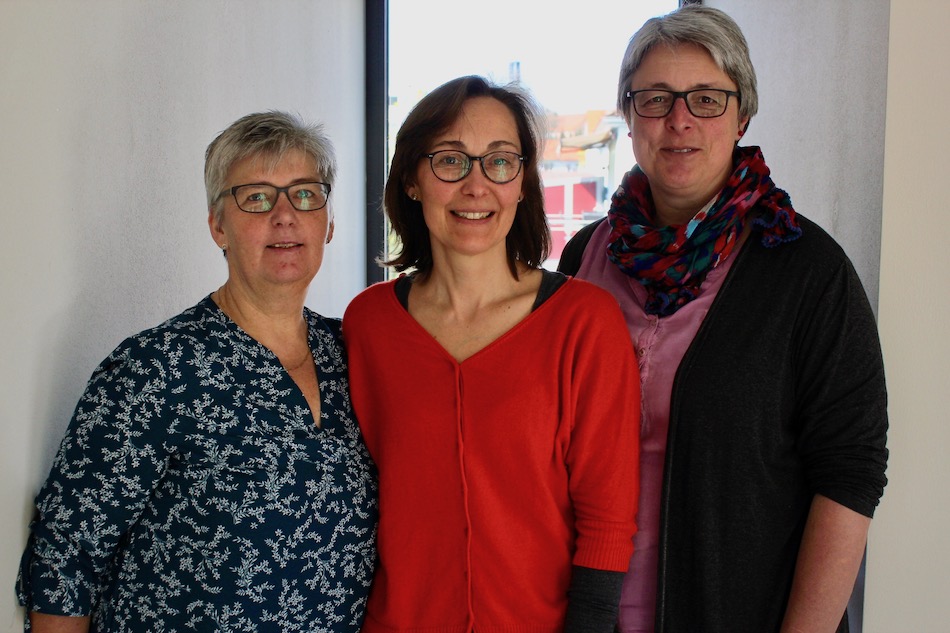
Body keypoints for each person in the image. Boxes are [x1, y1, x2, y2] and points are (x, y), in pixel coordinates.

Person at [557, 6, 888, 633]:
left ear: (742, 115)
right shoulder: (584, 258)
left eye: (706, 99)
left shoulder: (806, 270)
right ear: (628, 117)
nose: (679, 119)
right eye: (655, 99)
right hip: (589, 613)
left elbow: (850, 472)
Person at [16, 111, 378, 633]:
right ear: (217, 226)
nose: (285, 215)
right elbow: (66, 561)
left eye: (305, 193)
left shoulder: (353, 354)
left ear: (329, 221)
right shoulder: (154, 370)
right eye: (256, 196)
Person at [343, 76, 640, 633]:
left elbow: (607, 521)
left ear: (523, 182)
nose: (476, 185)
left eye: (500, 161)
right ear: (411, 178)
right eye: (450, 160)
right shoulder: (368, 325)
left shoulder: (584, 324)